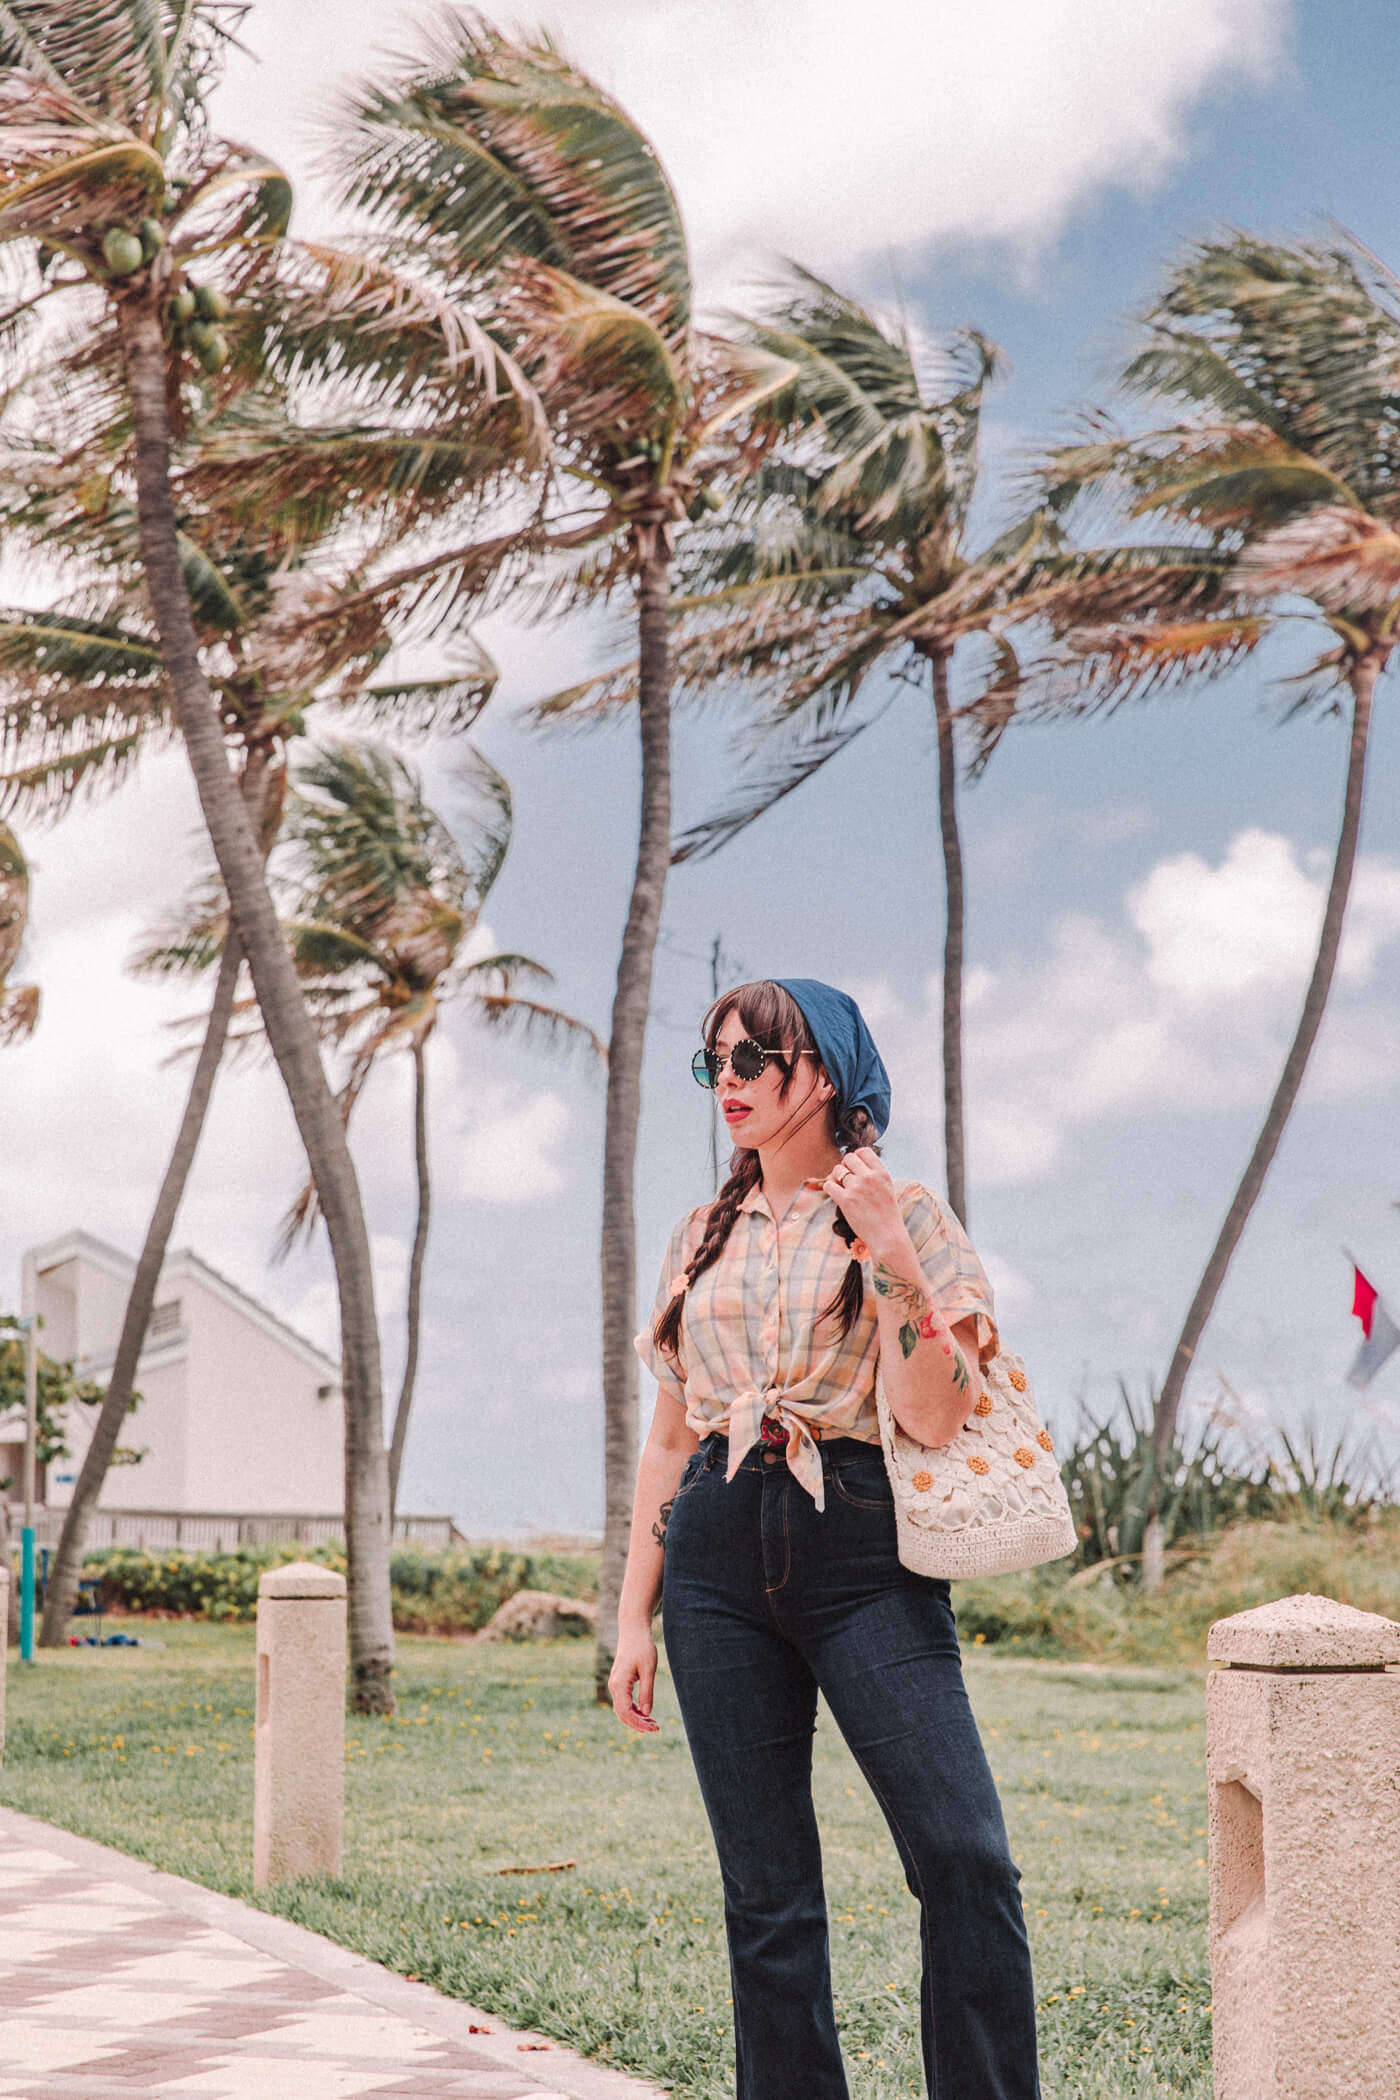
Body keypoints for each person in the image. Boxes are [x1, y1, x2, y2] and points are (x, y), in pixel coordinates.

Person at [611, 977, 1041, 2100]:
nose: (730, 1086)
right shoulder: (699, 1235)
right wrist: (630, 1615)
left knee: (962, 1857)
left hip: (858, 1545)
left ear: (825, 1071)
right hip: (711, 1541)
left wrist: (888, 1244)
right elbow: (667, 1440)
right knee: (765, 1893)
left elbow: (931, 1413)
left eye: (754, 1061)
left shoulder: (906, 1214)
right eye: (715, 1066)